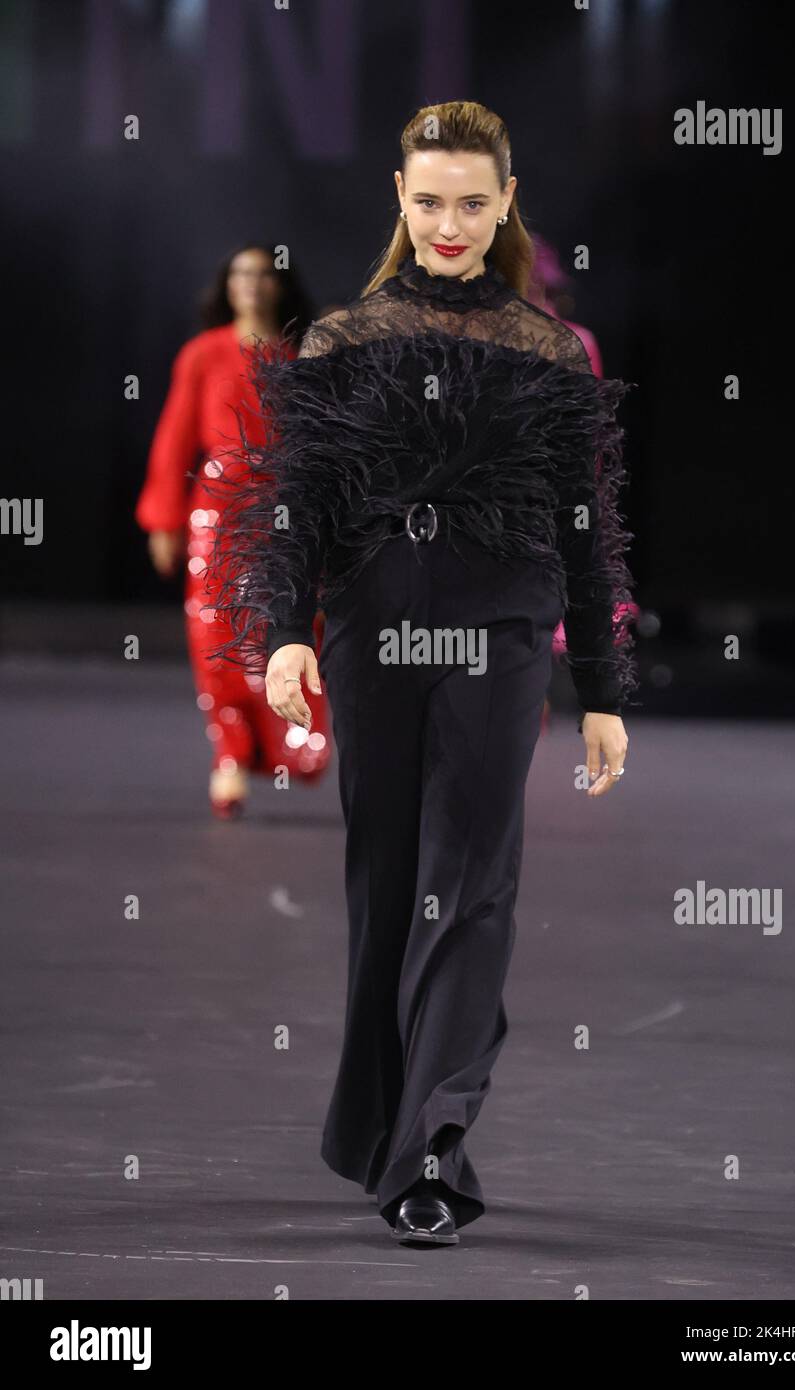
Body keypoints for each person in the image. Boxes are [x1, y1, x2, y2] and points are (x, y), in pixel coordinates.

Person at [206, 102, 638, 1245]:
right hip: (372, 630)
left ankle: (434, 1143)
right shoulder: (343, 338)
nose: (449, 223)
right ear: (399, 200)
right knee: (389, 881)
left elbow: (585, 529)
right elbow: (297, 499)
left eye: (472, 202)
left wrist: (597, 687)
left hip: (499, 634)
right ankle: (380, 1120)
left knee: (476, 877)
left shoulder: (548, 352)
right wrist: (286, 629)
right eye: (429, 199)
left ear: (505, 208)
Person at [135, 243, 331, 818]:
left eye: (264, 274)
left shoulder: (304, 355)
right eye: (241, 274)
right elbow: (173, 441)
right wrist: (164, 519)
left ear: (280, 285)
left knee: (289, 626)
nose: (251, 284)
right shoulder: (202, 354)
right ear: (227, 284)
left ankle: (292, 742)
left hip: (289, 514)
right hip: (217, 513)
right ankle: (230, 757)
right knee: (214, 631)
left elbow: (325, 449)